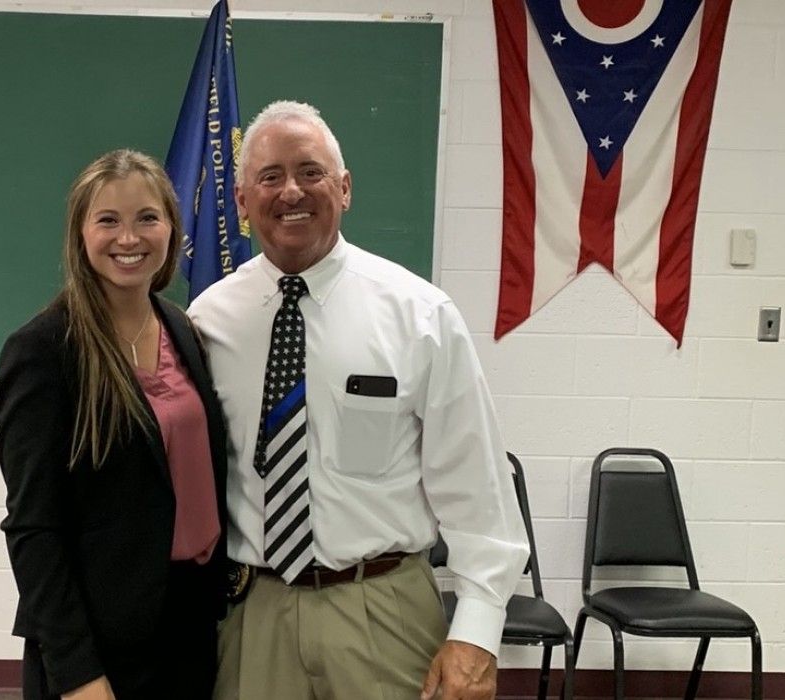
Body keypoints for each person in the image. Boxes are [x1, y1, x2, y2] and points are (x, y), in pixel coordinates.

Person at [187, 101, 529, 700]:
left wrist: (477, 633)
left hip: (384, 612)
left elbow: (478, 488)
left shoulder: (420, 315)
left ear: (344, 189)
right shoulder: (206, 323)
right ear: (242, 203)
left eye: (310, 172)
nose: (291, 190)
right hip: (254, 614)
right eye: (269, 177)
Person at [0, 149, 227, 700]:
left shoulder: (182, 330)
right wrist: (76, 672)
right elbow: (33, 529)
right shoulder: (44, 351)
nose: (130, 238)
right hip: (97, 641)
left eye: (147, 217)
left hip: (192, 621)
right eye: (108, 221)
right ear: (80, 234)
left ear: (171, 228)